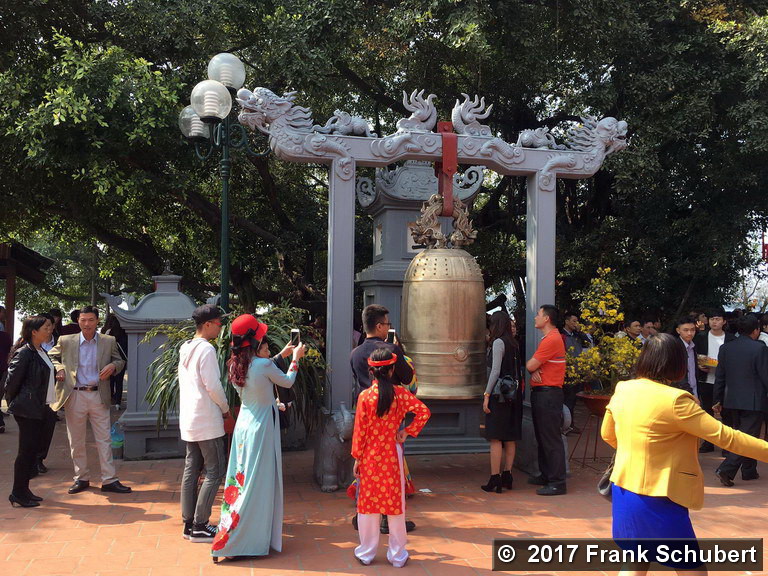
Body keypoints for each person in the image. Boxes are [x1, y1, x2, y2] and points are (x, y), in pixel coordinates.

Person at [602, 333, 768, 575]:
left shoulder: (624, 389)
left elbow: (608, 435)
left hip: (624, 488)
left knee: (635, 560)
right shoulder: (676, 401)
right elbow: (728, 438)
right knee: (692, 569)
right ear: (677, 364)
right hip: (659, 495)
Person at [211, 314, 306, 560]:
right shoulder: (263, 366)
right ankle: (243, 540)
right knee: (257, 483)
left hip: (244, 426)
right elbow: (286, 381)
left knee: (240, 481)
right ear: (254, 342)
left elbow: (259, 375)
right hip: (262, 428)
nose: (265, 340)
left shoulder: (235, 365)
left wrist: (282, 356)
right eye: (261, 338)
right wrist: (295, 359)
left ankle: (230, 534)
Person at [352, 348, 430, 567]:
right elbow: (424, 412)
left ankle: (366, 553)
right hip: (392, 454)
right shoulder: (401, 394)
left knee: (368, 505)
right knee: (395, 505)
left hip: (369, 455)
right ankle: (397, 556)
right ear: (392, 369)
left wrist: (357, 458)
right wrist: (406, 432)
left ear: (371, 371)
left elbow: (360, 431)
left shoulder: (365, 396)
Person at [49, 305, 130, 495]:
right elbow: (51, 355)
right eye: (83, 320)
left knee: (104, 438)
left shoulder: (108, 341)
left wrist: (113, 366)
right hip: (74, 394)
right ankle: (81, 478)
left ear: (97, 321)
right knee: (76, 440)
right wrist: (59, 367)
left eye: (91, 320)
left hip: (98, 394)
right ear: (78, 321)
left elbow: (120, 361)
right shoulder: (66, 340)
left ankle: (109, 479)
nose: (87, 324)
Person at [349, 304, 416, 533]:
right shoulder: (391, 351)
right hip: (390, 416)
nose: (388, 327)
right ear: (379, 326)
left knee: (365, 468)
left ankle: (362, 515)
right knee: (392, 469)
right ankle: (389, 518)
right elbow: (407, 378)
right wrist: (400, 352)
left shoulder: (355, 354)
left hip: (366, 412)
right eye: (387, 324)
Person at [178, 305, 231, 543]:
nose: (220, 328)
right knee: (214, 471)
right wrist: (226, 408)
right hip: (206, 418)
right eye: (219, 323)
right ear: (208, 324)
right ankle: (200, 525)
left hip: (190, 418)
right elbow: (213, 385)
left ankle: (189, 523)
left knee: (192, 470)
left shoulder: (186, 347)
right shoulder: (206, 349)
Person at [5, 315, 56, 507]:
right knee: (25, 452)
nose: (49, 330)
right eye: (46, 327)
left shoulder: (40, 350)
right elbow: (12, 383)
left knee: (32, 451)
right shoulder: (25, 352)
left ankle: (24, 489)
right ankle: (18, 492)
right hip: (28, 410)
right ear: (33, 331)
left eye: (50, 327)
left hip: (41, 407)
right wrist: (18, 403)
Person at [712, 315, 768, 486]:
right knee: (747, 437)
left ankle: (749, 470)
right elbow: (765, 375)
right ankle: (726, 469)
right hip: (753, 400)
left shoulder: (726, 348)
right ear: (756, 331)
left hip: (731, 399)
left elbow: (720, 376)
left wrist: (717, 399)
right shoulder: (759, 348)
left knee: (743, 435)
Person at [526, 305, 567, 496]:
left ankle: (557, 481)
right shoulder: (550, 338)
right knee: (543, 437)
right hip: (544, 393)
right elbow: (535, 367)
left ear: (547, 319)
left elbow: (530, 365)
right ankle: (546, 475)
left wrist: (533, 369)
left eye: (538, 315)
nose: (536, 318)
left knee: (550, 438)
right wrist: (535, 370)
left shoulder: (551, 339)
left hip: (548, 394)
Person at [481, 310, 523, 493]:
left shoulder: (498, 343)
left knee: (496, 437)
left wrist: (487, 394)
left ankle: (494, 477)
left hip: (500, 396)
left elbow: (495, 371)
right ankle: (508, 474)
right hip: (514, 395)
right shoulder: (514, 343)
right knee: (510, 436)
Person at [693, 309, 734, 453]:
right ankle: (708, 442)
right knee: (707, 412)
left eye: (717, 319)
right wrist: (698, 365)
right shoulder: (701, 337)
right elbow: (694, 355)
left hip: (725, 381)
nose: (714, 322)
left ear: (724, 321)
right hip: (706, 379)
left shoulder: (731, 339)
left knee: (727, 413)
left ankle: (726, 444)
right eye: (712, 319)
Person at [101, 315, 128, 408]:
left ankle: (109, 399)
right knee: (119, 381)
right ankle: (118, 402)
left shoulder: (104, 331)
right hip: (121, 360)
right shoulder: (123, 332)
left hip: (107, 360)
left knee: (109, 381)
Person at [673, 316, 698, 397]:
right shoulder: (675, 347)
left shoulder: (693, 346)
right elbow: (678, 375)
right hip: (682, 391)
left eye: (692, 330)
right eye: (686, 330)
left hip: (694, 388)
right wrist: (690, 393)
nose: (690, 333)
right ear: (678, 330)